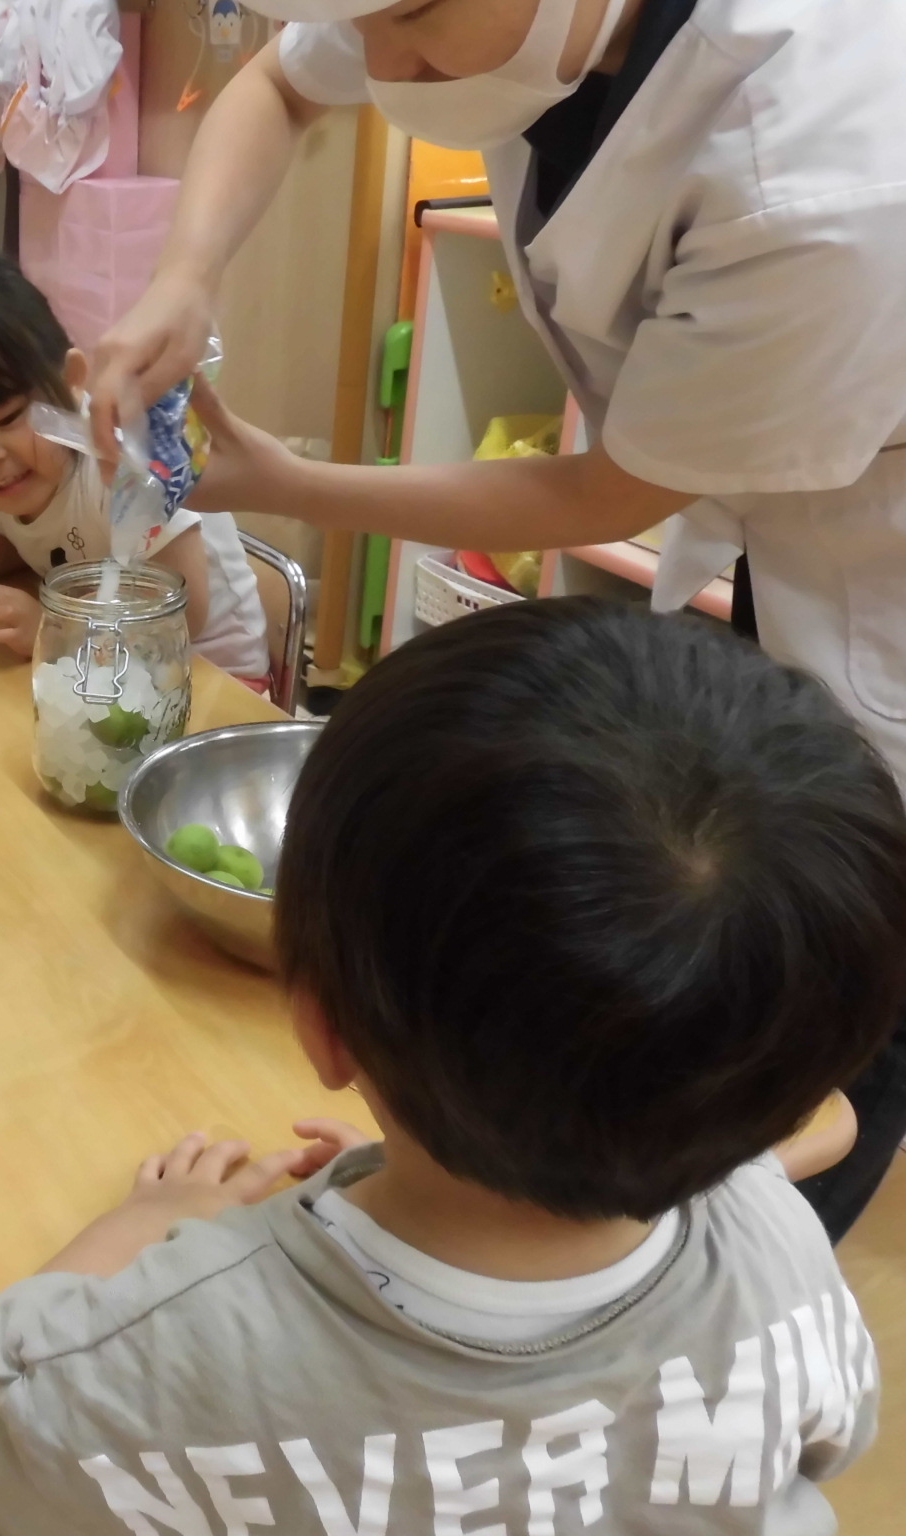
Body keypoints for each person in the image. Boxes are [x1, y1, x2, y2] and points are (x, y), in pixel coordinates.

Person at [89, 0, 906, 1239]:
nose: (382, 65)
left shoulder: (816, 173)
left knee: (841, 966)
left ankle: (719, 1270)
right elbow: (278, 84)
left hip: (872, 565)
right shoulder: (458, 23)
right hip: (782, 525)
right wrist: (181, 277)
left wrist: (283, 483)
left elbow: (606, 494)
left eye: (411, 20)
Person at [0, 598, 904, 1536]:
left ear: (319, 1026)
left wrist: (149, 1224)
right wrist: (410, 1177)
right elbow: (829, 1437)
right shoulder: (778, 1234)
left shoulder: (159, 1367)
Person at [0, 250, 268, 682]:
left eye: (8, 419)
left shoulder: (122, 461)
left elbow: (184, 609)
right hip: (112, 674)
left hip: (214, 674)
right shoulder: (16, 481)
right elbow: (13, 538)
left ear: (71, 379)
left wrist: (55, 632)